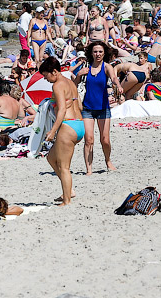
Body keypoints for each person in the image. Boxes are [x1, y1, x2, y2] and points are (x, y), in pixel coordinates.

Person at [74, 41, 122, 174]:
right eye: (95, 51)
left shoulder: (107, 67)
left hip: (103, 108)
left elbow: (113, 78)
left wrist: (117, 85)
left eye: (100, 51)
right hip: (87, 108)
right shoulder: (86, 67)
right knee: (89, 140)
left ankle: (108, 160)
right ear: (91, 53)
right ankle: (89, 169)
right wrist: (79, 75)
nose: (98, 54)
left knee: (105, 140)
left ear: (104, 53)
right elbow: (74, 85)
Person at [39, 57, 82, 206]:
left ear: (55, 71)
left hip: (67, 126)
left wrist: (52, 131)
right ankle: (68, 191)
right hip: (79, 125)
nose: (46, 79)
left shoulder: (57, 85)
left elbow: (62, 109)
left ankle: (67, 200)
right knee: (51, 158)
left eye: (46, 76)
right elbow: (79, 105)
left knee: (64, 167)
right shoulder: (70, 82)